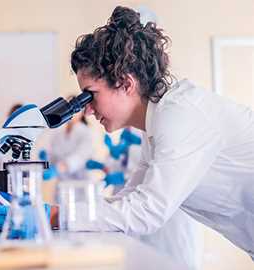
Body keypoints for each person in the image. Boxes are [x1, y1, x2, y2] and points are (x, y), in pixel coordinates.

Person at [71, 5, 253, 262]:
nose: (87, 110)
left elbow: (147, 211)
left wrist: (56, 215)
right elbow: (131, 197)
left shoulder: (180, 115)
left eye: (91, 95)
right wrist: (57, 212)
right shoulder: (155, 124)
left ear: (126, 83)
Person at [47, 100, 93, 181]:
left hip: (80, 183)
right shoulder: (58, 132)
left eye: (74, 110)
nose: (70, 112)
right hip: (62, 183)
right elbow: (53, 156)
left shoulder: (86, 132)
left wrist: (58, 169)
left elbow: (79, 157)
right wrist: (45, 159)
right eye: (66, 109)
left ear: (82, 113)